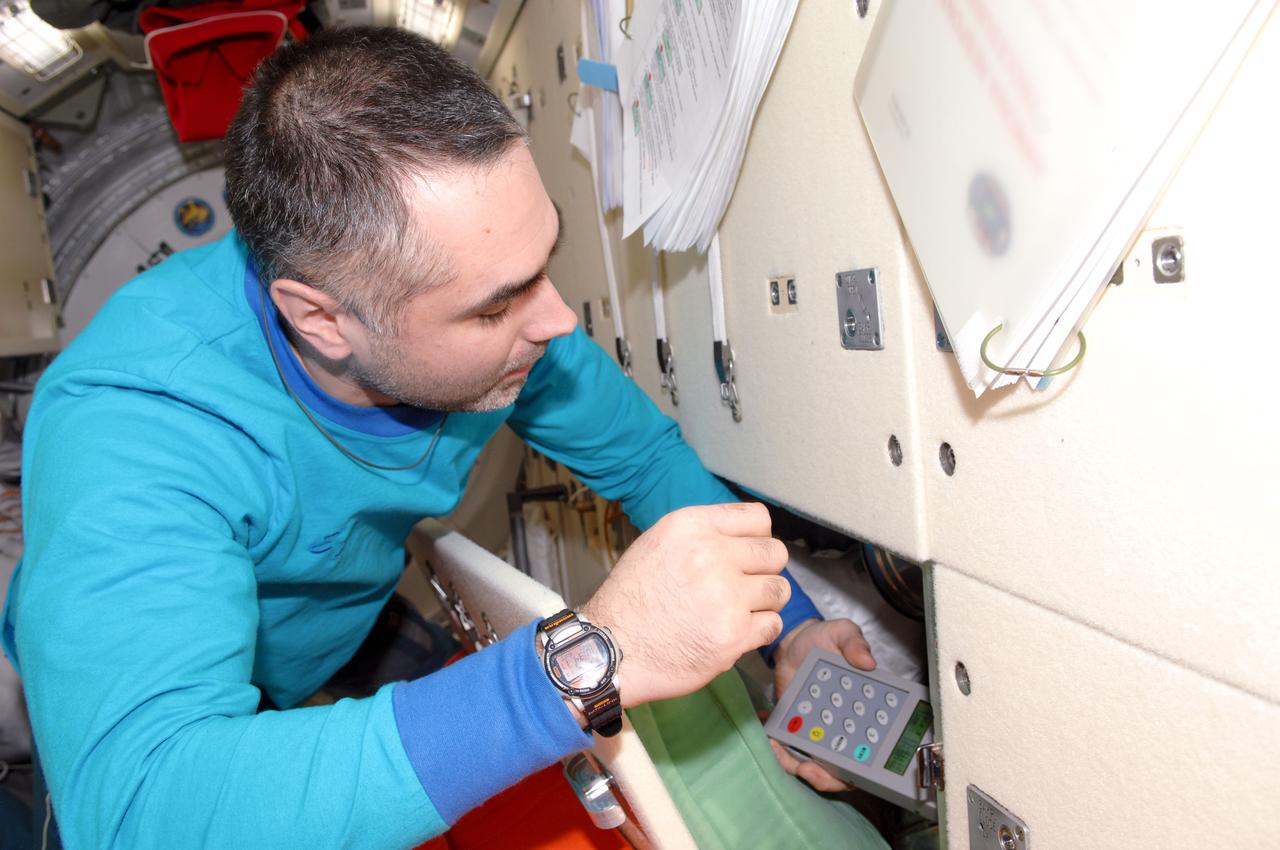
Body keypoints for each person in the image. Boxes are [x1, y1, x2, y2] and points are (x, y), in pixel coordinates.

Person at [1, 26, 876, 848]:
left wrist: (792, 628)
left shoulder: (505, 324)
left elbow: (644, 459)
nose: (557, 320)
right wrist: (587, 663)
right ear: (323, 321)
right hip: (165, 710)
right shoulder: (135, 424)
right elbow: (140, 809)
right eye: (495, 306)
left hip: (349, 620)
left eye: (543, 264)